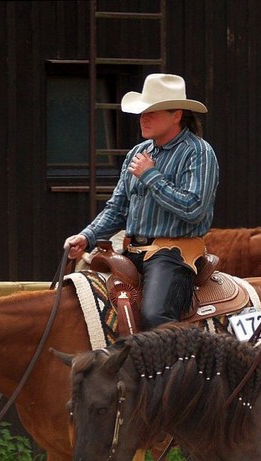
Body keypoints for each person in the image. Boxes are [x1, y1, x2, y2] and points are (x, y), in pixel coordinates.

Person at [64, 73, 219, 329]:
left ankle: (174, 367)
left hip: (173, 254)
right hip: (131, 251)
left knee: (155, 318)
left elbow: (194, 209)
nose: (144, 119)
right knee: (86, 306)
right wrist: (87, 236)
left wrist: (150, 176)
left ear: (176, 114)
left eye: (153, 112)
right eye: (142, 112)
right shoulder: (137, 153)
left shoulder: (198, 152)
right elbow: (117, 209)